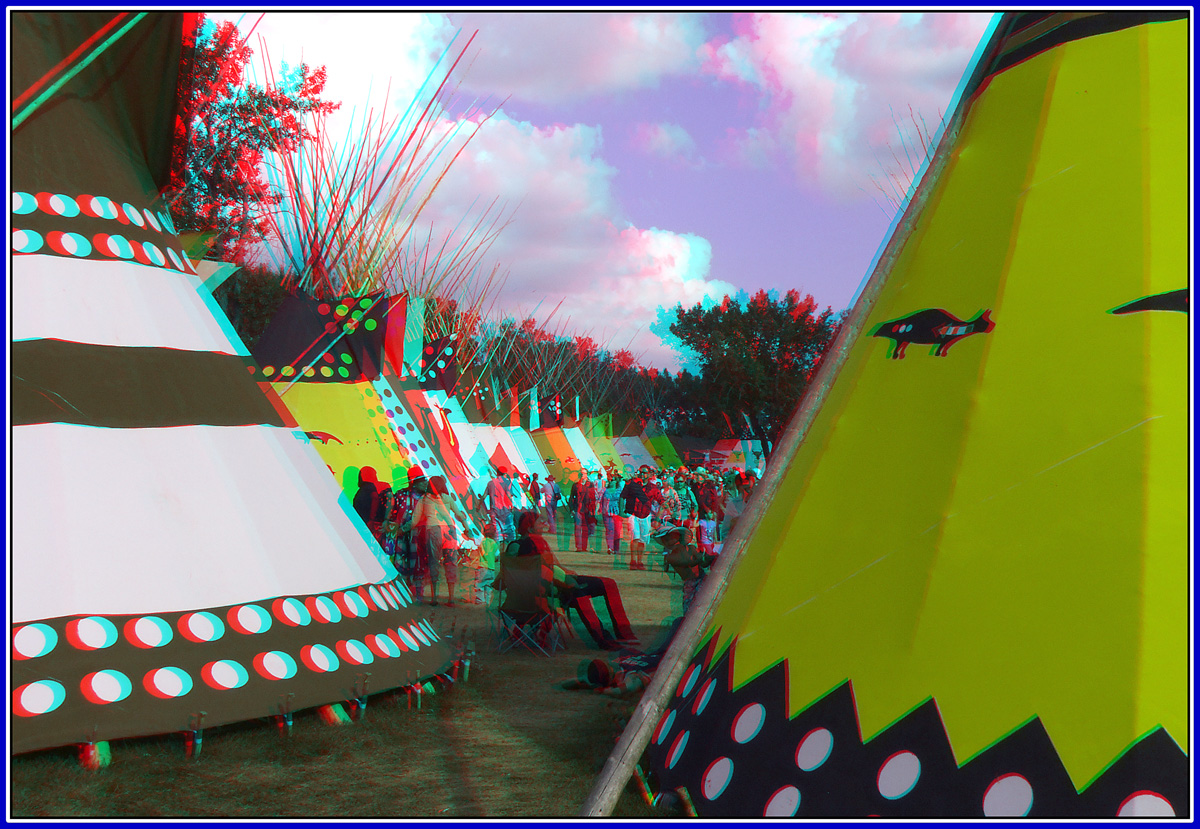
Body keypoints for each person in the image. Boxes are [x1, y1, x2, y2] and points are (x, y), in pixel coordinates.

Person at [505, 511, 638, 650]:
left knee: (608, 583)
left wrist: (565, 572)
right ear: (529, 527)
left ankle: (624, 633)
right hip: (551, 589)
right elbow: (522, 576)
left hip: (561, 580)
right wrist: (562, 579)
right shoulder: (519, 546)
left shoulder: (539, 542)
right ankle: (604, 639)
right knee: (579, 594)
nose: (544, 525)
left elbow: (554, 565)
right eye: (540, 522)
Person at [412, 475, 476, 606]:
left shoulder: (424, 499)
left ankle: (434, 597)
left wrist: (402, 529)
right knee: (451, 562)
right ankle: (451, 598)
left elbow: (414, 520)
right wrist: (467, 528)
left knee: (433, 562)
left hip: (433, 530)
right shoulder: (447, 498)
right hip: (449, 532)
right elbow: (459, 515)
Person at [620, 472, 653, 570]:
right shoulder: (631, 485)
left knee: (642, 540)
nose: (643, 474)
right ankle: (633, 561)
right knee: (635, 538)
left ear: (649, 474)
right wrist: (621, 511)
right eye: (641, 472)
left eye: (645, 472)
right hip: (632, 514)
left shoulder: (652, 487)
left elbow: (657, 499)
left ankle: (640, 561)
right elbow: (622, 496)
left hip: (645, 515)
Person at [484, 467, 516, 543]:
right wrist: (512, 505)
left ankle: (499, 548)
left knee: (497, 534)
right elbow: (509, 495)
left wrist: (480, 507)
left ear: (497, 473)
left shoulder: (491, 483)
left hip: (494, 511)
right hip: (505, 510)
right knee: (510, 533)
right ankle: (510, 548)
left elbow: (483, 496)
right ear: (505, 473)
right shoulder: (506, 482)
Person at [569, 472, 599, 552]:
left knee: (585, 529)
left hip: (587, 510)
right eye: (581, 473)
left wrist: (592, 510)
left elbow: (593, 498)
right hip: (578, 509)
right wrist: (572, 509)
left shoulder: (590, 485)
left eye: (584, 473)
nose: (582, 475)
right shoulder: (575, 485)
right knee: (578, 528)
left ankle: (584, 547)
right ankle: (579, 547)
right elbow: (572, 497)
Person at [599, 475, 624, 555]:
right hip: (607, 513)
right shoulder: (605, 490)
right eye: (611, 480)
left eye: (613, 480)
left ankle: (616, 548)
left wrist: (622, 512)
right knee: (609, 530)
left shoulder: (620, 491)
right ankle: (610, 548)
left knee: (617, 531)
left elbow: (622, 501)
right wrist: (600, 510)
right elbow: (601, 501)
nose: (612, 481)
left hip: (617, 513)